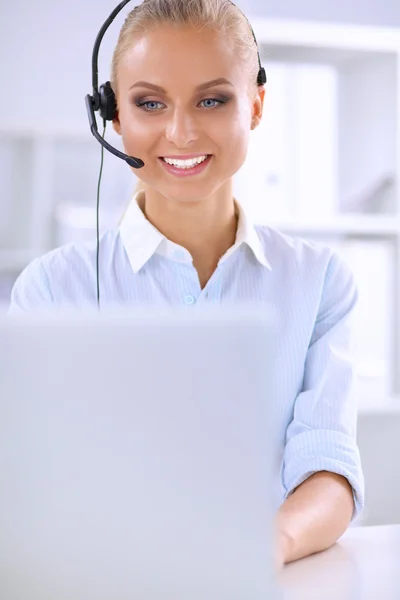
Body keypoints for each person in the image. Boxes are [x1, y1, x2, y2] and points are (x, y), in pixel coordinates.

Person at [8, 0, 364, 567]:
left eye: (212, 99)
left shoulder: (318, 281)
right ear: (114, 115)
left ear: (256, 105)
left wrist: (260, 548)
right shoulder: (52, 291)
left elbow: (331, 468)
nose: (180, 131)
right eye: (150, 103)